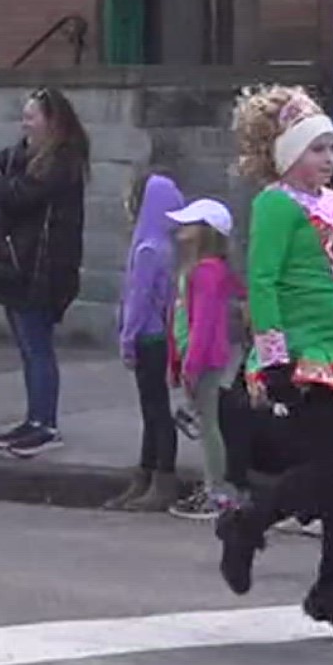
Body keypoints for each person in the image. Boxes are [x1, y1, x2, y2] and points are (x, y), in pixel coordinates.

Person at [215, 85, 333, 645]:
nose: (329, 160)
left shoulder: (332, 204)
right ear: (289, 155)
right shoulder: (276, 204)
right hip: (300, 353)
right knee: (331, 469)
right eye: (317, 150)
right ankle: (248, 524)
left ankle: (332, 589)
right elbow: (263, 281)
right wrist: (272, 361)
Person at [0, 88, 89, 459]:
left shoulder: (62, 162)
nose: (24, 122)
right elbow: (5, 168)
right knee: (29, 349)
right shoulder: (28, 154)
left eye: (32, 116)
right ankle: (34, 419)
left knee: (38, 346)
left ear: (52, 121)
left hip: (42, 270)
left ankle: (46, 424)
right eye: (24, 115)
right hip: (16, 265)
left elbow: (17, 195)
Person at [106, 172, 185, 511]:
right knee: (154, 409)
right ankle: (146, 474)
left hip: (147, 338)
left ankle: (161, 477)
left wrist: (126, 339)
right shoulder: (167, 245)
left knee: (155, 411)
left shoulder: (148, 249)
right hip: (160, 336)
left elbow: (138, 300)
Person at [163, 198, 245, 521]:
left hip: (204, 359)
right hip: (196, 356)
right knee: (204, 421)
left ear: (205, 232)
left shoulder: (207, 273)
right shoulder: (202, 269)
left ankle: (217, 490)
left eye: (190, 223)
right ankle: (214, 485)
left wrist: (191, 366)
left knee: (208, 424)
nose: (182, 228)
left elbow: (204, 324)